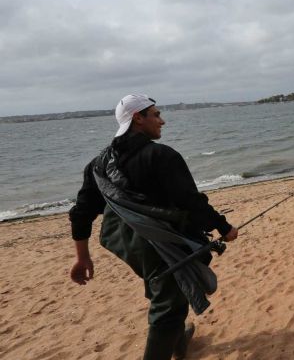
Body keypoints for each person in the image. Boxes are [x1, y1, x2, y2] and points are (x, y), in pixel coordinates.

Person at [69, 94, 239, 359]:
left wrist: (82, 257)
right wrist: (224, 227)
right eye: (156, 115)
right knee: (168, 305)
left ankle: (179, 342)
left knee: (164, 286)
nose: (162, 121)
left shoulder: (98, 164)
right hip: (161, 240)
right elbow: (190, 201)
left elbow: (81, 213)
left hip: (126, 244)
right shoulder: (161, 155)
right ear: (138, 118)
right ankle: (167, 343)